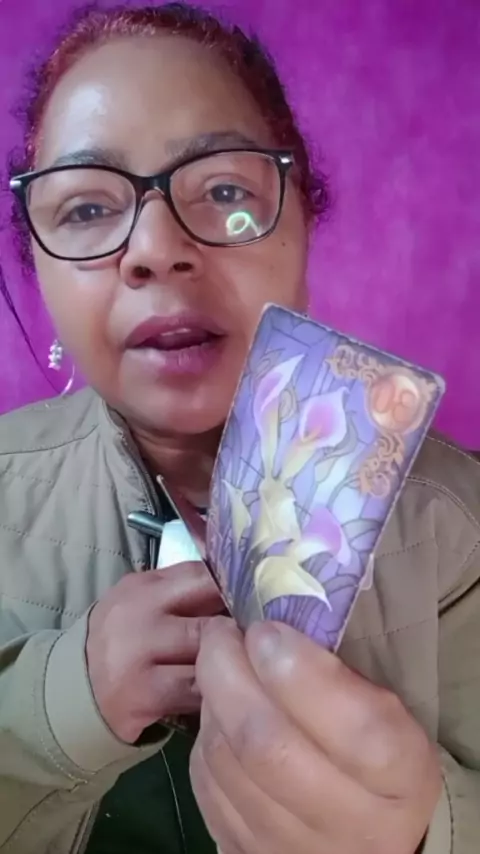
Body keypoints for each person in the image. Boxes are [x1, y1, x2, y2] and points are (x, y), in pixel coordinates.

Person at [0, 3, 478, 853]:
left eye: (224, 191)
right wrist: (61, 700)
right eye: (85, 208)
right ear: (35, 264)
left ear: (302, 224)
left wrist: (428, 830)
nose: (155, 248)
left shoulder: (459, 526)